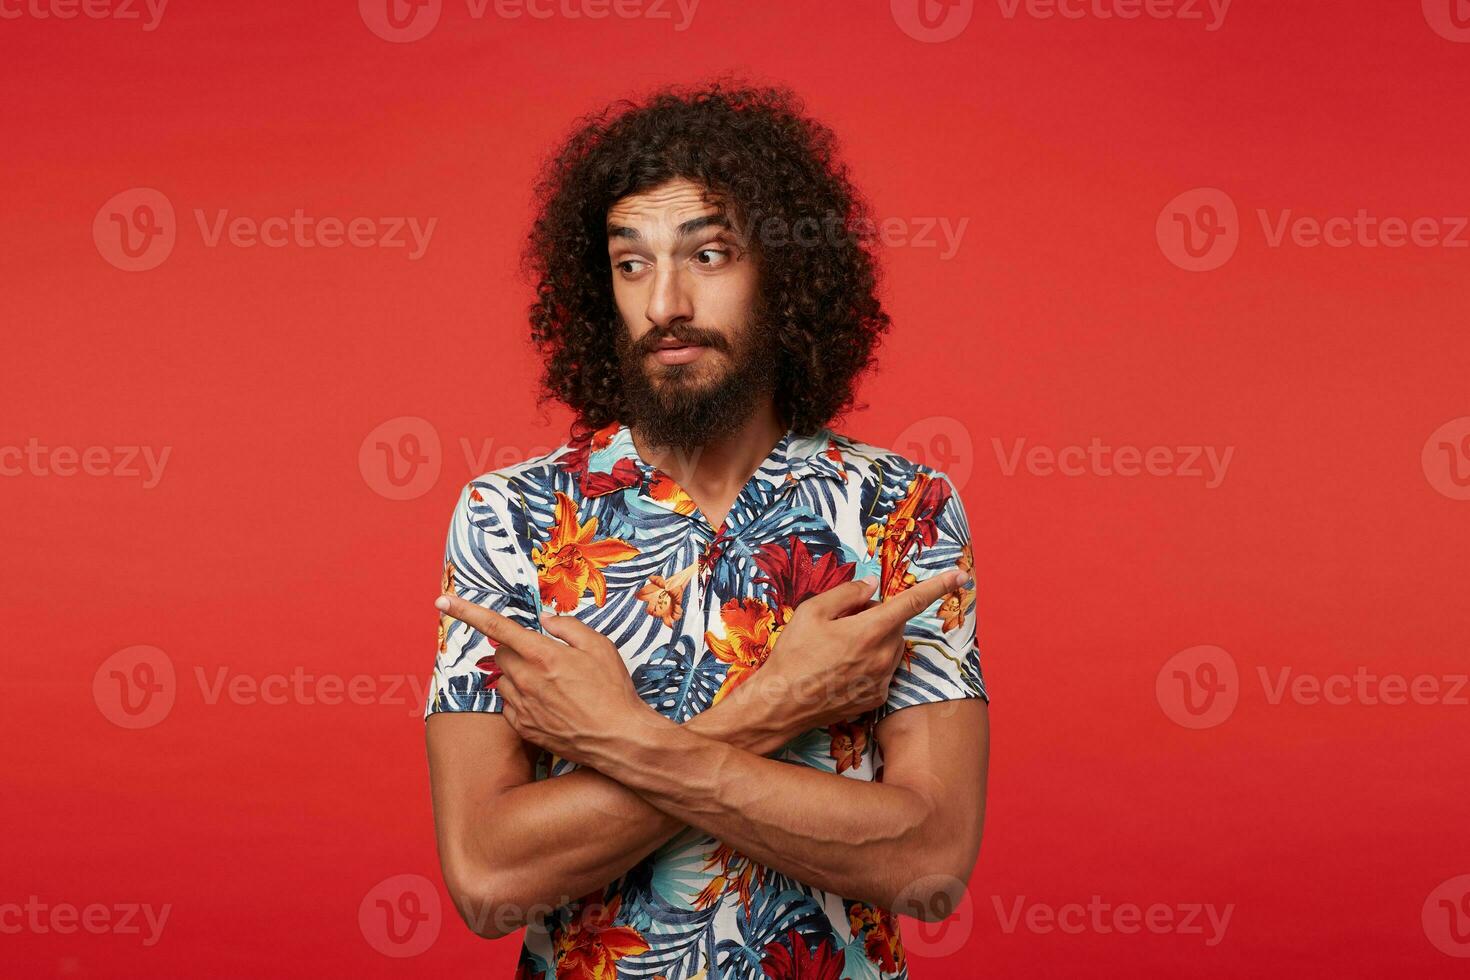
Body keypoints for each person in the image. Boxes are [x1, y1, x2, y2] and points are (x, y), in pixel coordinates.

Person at [424, 79, 990, 980]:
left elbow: (926, 867)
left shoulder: (902, 506)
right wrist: (776, 708)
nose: (665, 306)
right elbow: (489, 880)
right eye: (632, 263)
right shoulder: (512, 517)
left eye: (711, 254)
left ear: (786, 273)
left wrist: (618, 738)